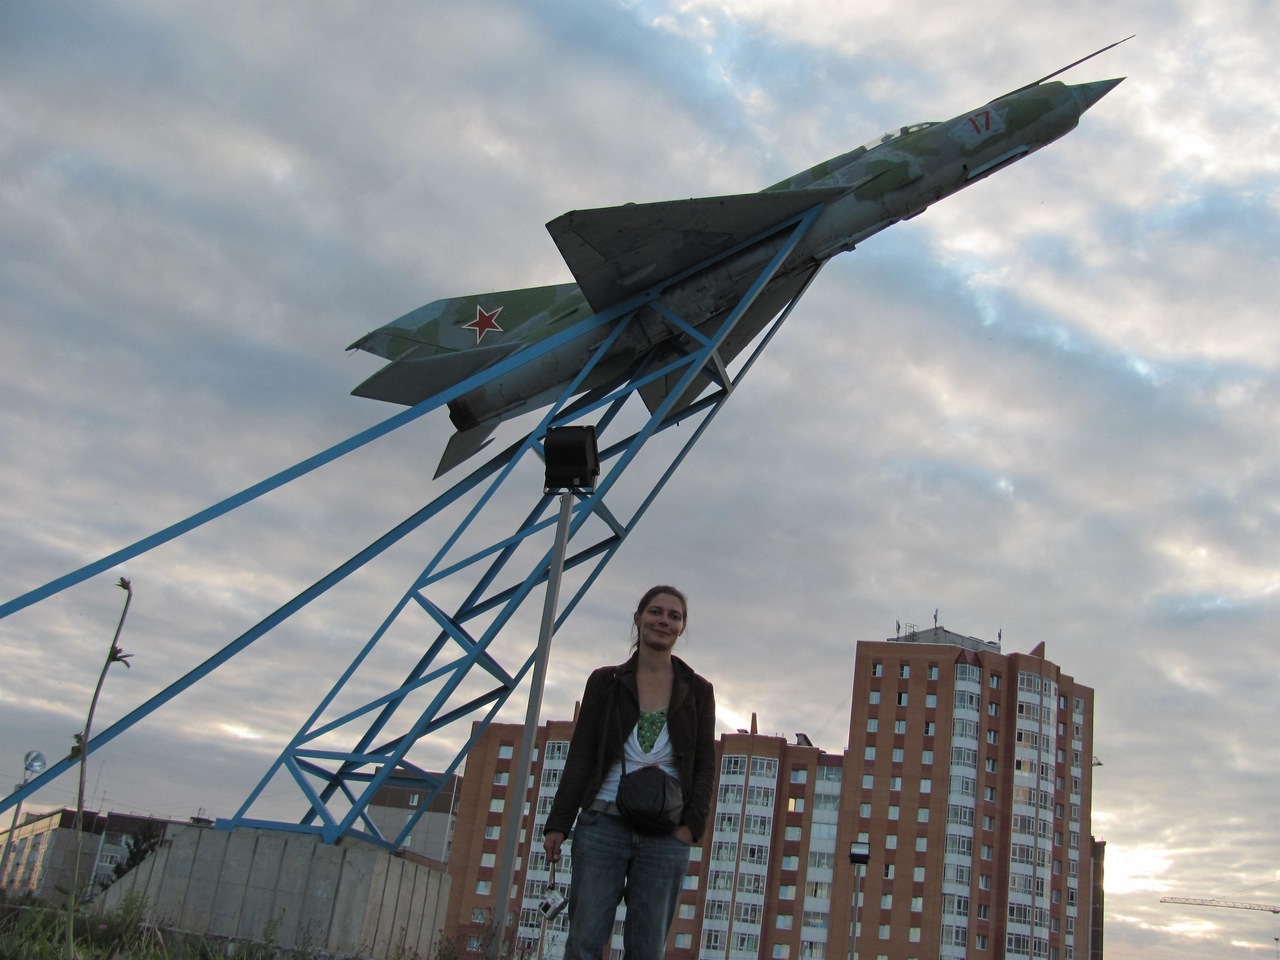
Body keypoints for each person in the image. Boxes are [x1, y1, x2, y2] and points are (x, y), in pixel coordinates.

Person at [543, 585, 716, 960]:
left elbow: (705, 765)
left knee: (647, 949)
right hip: (603, 824)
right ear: (638, 618)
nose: (663, 621)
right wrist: (559, 823)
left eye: (674, 616)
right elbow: (582, 754)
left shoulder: (698, 690)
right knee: (584, 942)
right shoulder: (605, 682)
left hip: (666, 835)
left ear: (682, 627)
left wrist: (690, 827)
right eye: (655, 612)